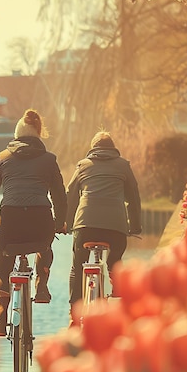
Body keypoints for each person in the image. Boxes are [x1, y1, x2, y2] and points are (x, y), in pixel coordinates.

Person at [0, 109, 67, 337]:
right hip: (40, 217)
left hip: (10, 219)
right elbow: (59, 194)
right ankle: (41, 284)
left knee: (1, 269)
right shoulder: (49, 160)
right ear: (39, 135)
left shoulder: (3, 157)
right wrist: (60, 222)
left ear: (16, 135)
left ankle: (1, 309)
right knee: (44, 246)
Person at [65, 130, 142, 324]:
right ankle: (116, 284)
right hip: (115, 227)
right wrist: (135, 225)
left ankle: (74, 314)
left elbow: (71, 194)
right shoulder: (123, 166)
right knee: (115, 257)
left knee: (77, 265)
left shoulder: (83, 165)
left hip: (85, 225)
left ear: (93, 149)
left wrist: (65, 223)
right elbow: (133, 196)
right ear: (113, 148)